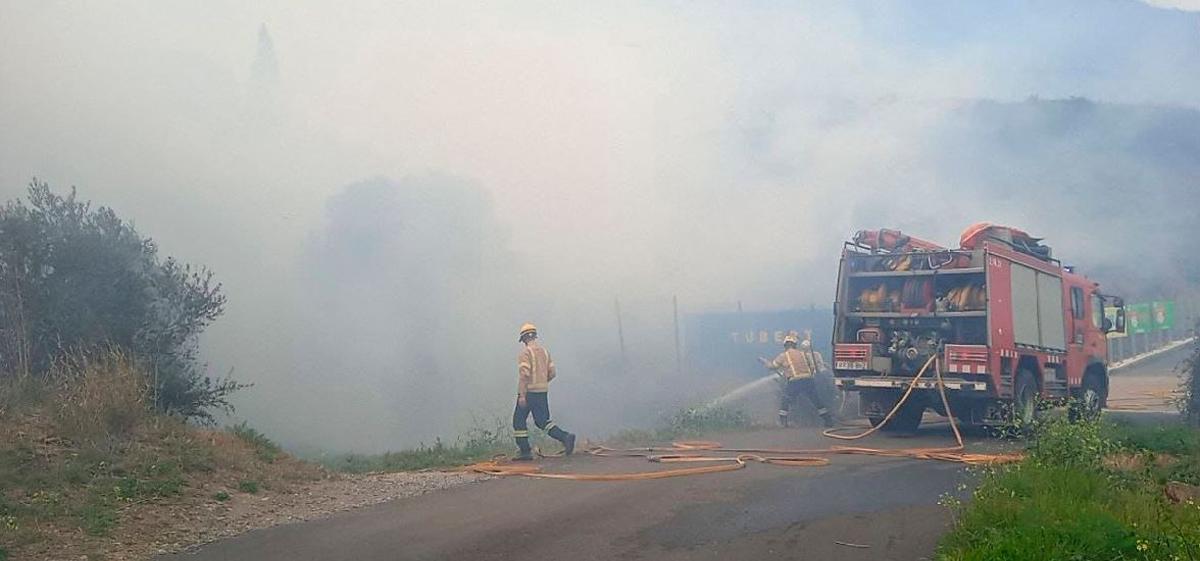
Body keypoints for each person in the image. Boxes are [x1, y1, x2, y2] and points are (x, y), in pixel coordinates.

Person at [513, 323, 576, 461]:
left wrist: (522, 395)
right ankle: (565, 437)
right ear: (535, 336)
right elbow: (552, 373)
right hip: (542, 392)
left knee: (518, 421)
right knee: (543, 421)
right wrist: (542, 382)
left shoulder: (525, 353)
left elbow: (524, 375)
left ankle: (525, 452)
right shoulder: (545, 352)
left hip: (529, 392)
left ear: (523, 339)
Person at [764, 331, 834, 428]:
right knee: (816, 400)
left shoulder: (783, 355)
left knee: (786, 399)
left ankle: (783, 422)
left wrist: (766, 363)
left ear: (785, 345)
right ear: (795, 345)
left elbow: (773, 366)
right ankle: (828, 420)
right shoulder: (803, 354)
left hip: (795, 381)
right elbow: (812, 367)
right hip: (808, 380)